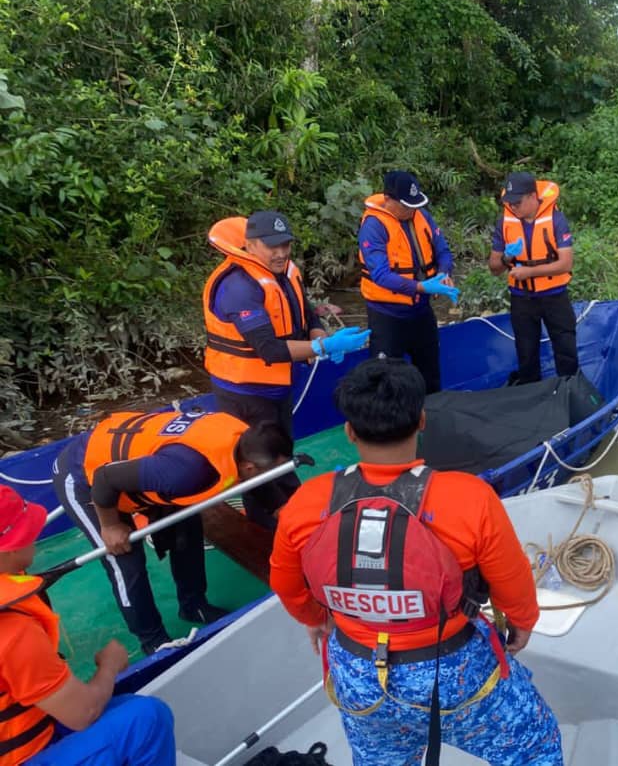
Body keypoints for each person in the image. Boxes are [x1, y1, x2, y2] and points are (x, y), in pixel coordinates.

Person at [270, 359, 563, 765]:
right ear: (422, 421)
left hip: (356, 673)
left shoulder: (307, 501)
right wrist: (522, 623)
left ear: (349, 431)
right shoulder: (469, 497)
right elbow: (511, 583)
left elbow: (286, 584)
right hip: (452, 672)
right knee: (535, 746)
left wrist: (318, 618)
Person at [53, 411, 293, 655]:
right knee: (125, 559)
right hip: (87, 476)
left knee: (187, 529)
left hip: (142, 468)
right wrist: (111, 526)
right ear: (250, 466)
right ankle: (153, 640)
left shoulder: (246, 441)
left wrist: (281, 510)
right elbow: (105, 479)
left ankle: (193, 605)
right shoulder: (185, 473)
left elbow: (259, 479)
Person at [203, 211, 369, 521]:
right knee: (258, 461)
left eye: (285, 245)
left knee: (280, 448)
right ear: (250, 245)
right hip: (244, 390)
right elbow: (269, 349)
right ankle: (267, 523)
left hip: (278, 384)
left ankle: (292, 505)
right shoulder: (238, 288)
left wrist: (318, 334)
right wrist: (324, 347)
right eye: (272, 247)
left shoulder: (286, 271)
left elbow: (305, 313)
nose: (281, 253)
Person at [0, 485, 176, 766]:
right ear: (9, 549)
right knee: (146, 718)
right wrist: (109, 665)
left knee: (126, 706)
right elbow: (83, 713)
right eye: (27, 530)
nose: (34, 536)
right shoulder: (13, 631)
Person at [358, 171, 459, 394]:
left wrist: (443, 273)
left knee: (430, 372)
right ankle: (386, 425)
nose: (411, 211)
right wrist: (421, 287)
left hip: (421, 311)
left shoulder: (420, 215)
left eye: (414, 205)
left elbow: (442, 250)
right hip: (388, 315)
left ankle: (431, 418)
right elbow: (381, 275)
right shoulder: (374, 227)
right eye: (406, 206)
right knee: (384, 379)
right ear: (389, 200)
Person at [488, 171, 578, 384]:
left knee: (565, 345)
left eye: (517, 202)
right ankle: (529, 390)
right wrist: (507, 257)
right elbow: (493, 267)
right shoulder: (505, 222)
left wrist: (529, 272)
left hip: (554, 295)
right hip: (522, 298)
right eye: (510, 203)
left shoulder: (556, 220)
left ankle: (569, 387)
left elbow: (566, 263)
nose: (513, 207)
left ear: (531, 196)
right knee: (526, 350)